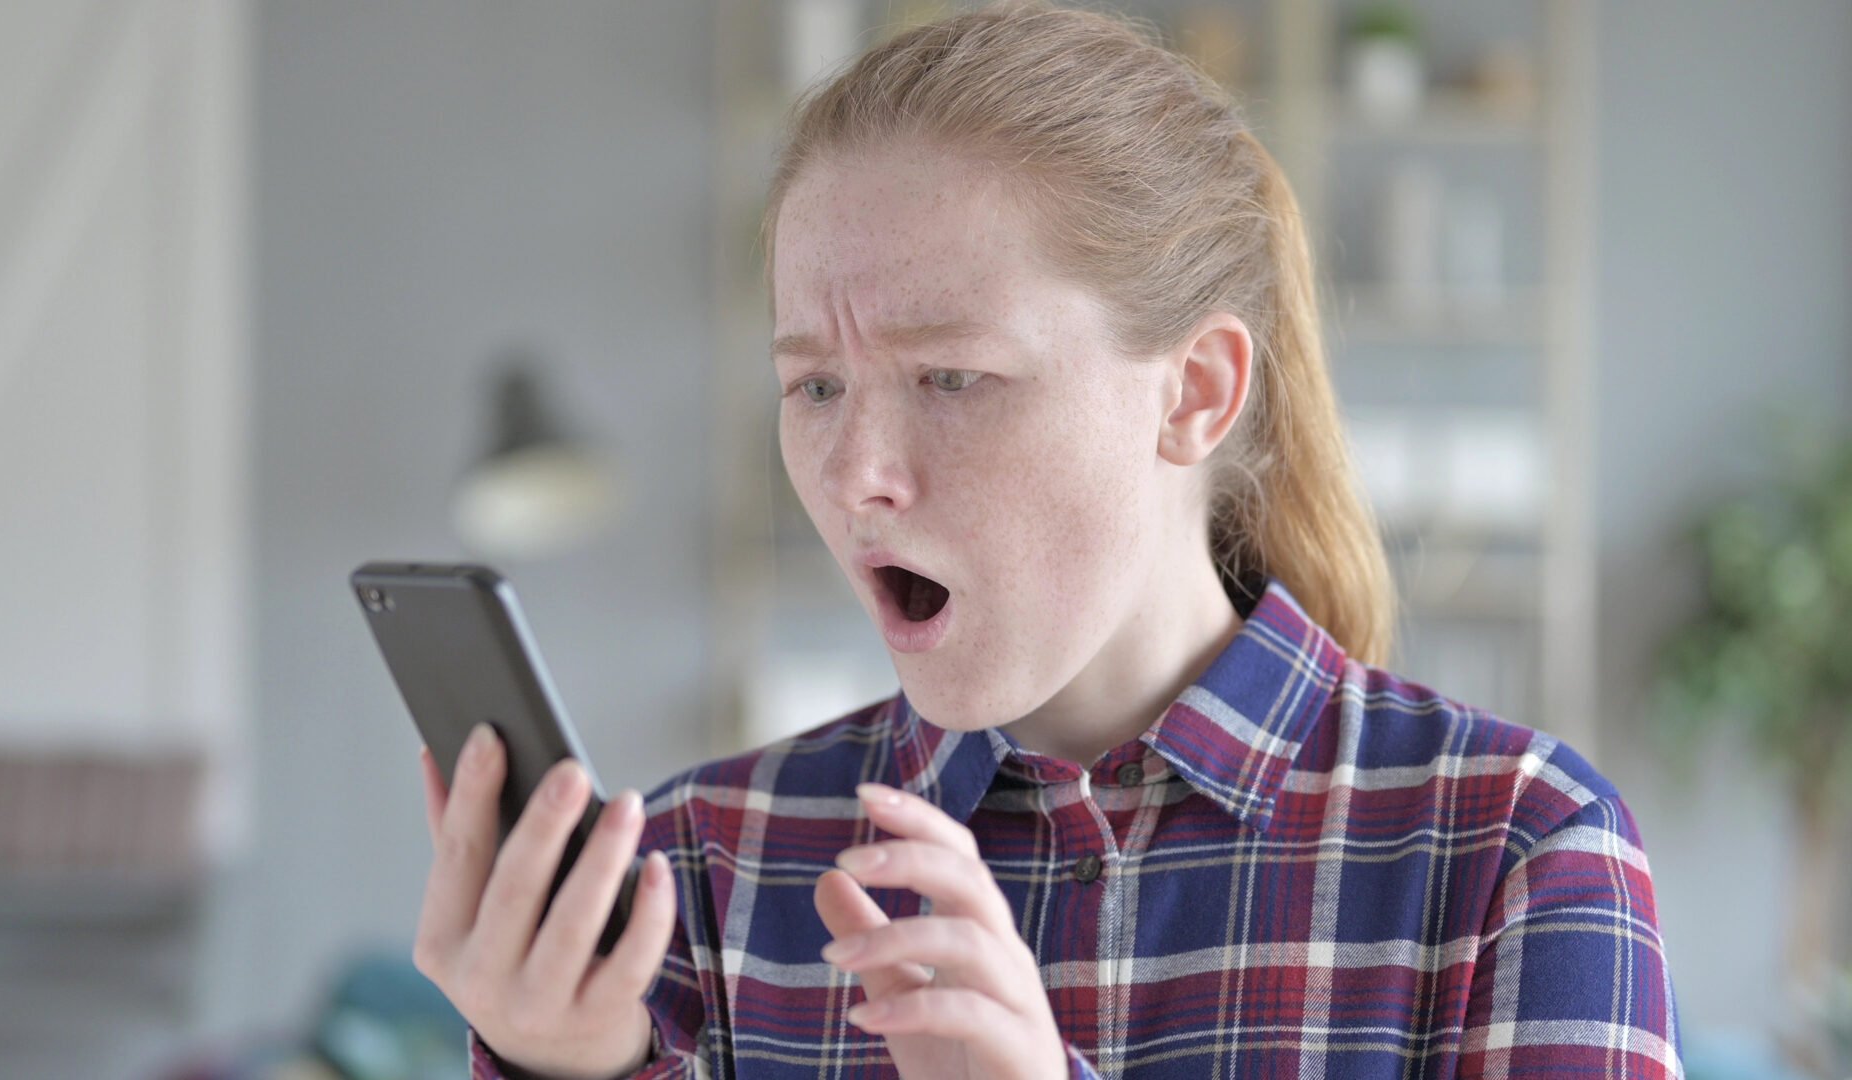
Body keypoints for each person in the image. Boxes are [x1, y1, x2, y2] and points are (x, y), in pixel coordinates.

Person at [413, 3, 1684, 1077]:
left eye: (953, 377)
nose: (858, 473)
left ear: (1194, 392)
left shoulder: (1519, 852)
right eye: (814, 387)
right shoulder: (694, 870)